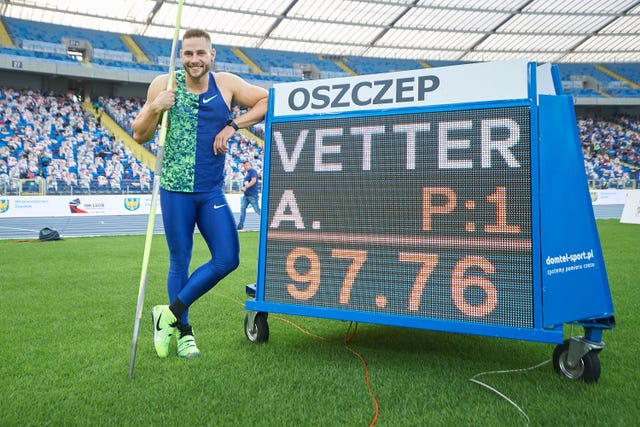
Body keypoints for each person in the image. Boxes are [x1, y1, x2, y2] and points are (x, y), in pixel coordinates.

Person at [131, 28, 269, 359]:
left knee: (228, 258)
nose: (194, 59)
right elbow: (138, 134)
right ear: (181, 56)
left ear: (212, 55)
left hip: (210, 191)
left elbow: (267, 100)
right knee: (180, 259)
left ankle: (167, 313)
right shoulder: (163, 85)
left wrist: (233, 125)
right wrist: (155, 108)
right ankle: (183, 333)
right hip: (175, 191)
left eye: (200, 53)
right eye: (188, 53)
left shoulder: (226, 83)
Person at [236, 160, 261, 230]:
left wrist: (245, 187)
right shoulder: (248, 173)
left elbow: (254, 181)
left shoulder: (252, 171)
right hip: (246, 195)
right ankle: (240, 226)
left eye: (247, 165)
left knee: (257, 210)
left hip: (252, 195)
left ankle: (268, 222)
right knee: (242, 209)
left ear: (250, 165)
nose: (246, 167)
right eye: (245, 166)